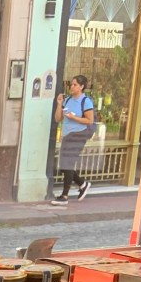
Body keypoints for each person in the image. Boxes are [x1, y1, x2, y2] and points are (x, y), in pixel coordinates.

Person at [51, 74, 95, 204]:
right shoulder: (68, 100)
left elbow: (90, 120)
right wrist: (59, 104)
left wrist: (73, 117)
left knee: (67, 164)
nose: (72, 86)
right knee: (64, 166)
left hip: (78, 135)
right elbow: (58, 118)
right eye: (71, 84)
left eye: (75, 84)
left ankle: (64, 196)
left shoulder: (85, 101)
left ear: (81, 87)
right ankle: (82, 184)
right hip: (67, 135)